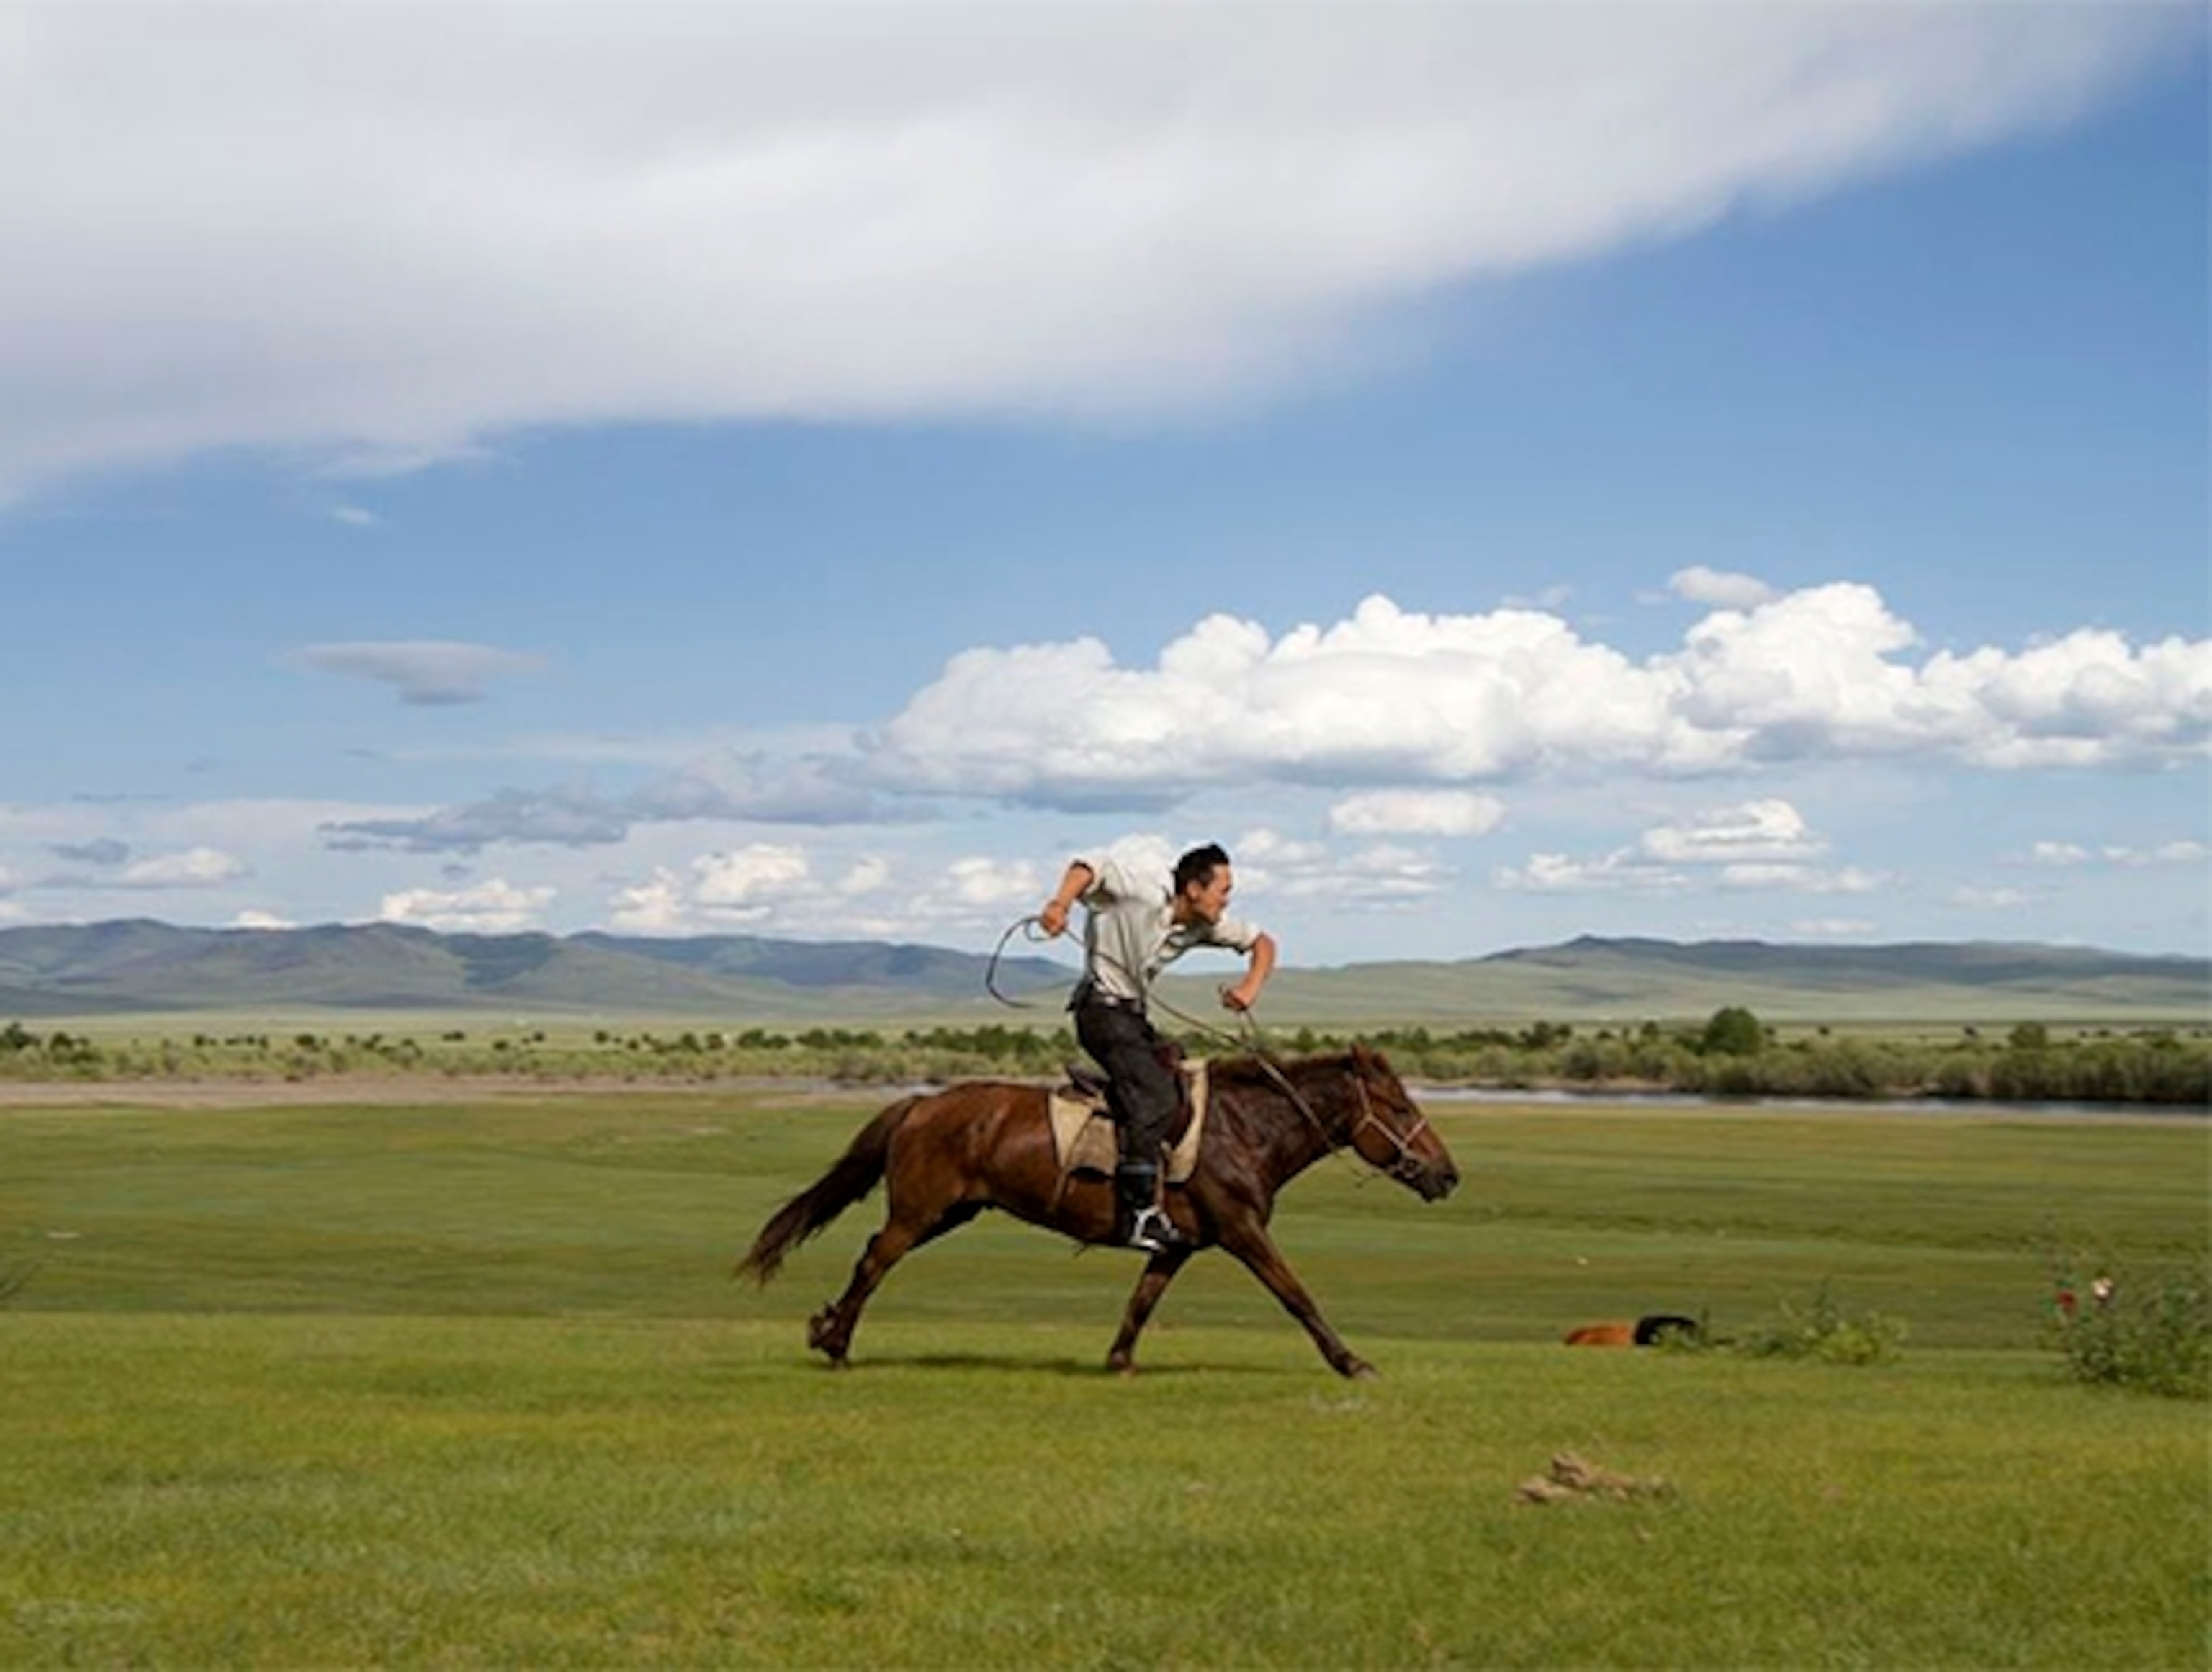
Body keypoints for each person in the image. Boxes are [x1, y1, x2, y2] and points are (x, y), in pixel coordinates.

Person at [1037, 842, 1277, 1252]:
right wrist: (1060, 905)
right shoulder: (1142, 887)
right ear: (1195, 889)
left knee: (1178, 1073)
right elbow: (1086, 867)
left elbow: (1262, 943)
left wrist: (1250, 987)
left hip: (1133, 1017)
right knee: (1156, 1097)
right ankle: (1140, 1214)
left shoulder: (1205, 924)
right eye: (1224, 889)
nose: (1228, 900)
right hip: (1101, 1012)